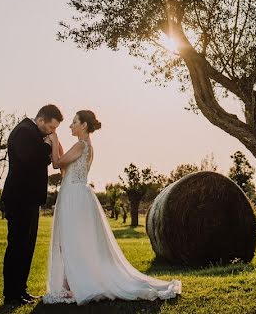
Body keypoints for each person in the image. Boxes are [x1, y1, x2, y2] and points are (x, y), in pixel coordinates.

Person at [43, 109, 181, 305]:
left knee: (71, 240)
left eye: (74, 122)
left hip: (73, 197)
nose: (70, 125)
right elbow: (65, 168)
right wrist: (59, 144)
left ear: (83, 125)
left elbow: (56, 164)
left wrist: (54, 139)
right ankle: (70, 284)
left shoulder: (81, 145)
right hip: (76, 194)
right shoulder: (86, 146)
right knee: (73, 240)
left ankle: (75, 284)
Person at [1, 104, 62, 306]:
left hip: (30, 199)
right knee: (17, 246)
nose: (52, 132)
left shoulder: (35, 134)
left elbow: (40, 159)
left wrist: (45, 144)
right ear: (41, 119)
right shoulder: (24, 131)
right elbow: (30, 158)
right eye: (50, 128)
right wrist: (47, 145)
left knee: (27, 247)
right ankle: (11, 294)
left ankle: (21, 290)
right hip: (19, 198)